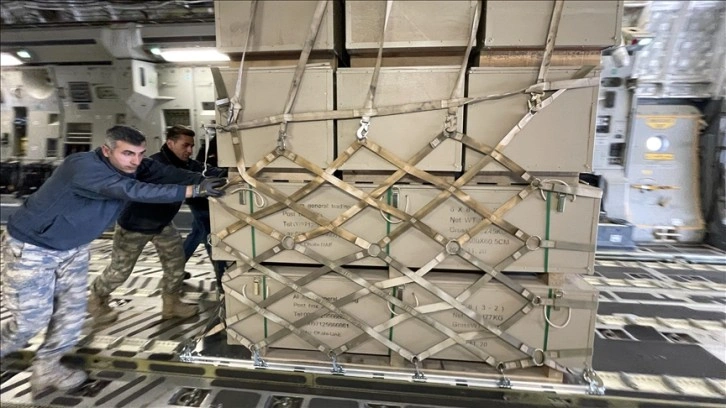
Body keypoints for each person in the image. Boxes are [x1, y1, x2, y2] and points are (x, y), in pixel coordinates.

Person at [0, 125, 225, 394]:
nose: (136, 161)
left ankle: (47, 368)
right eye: (128, 153)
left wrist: (211, 178)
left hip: (73, 248)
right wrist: (193, 191)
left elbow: (166, 172)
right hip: (33, 247)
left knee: (70, 315)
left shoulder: (133, 164)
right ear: (107, 151)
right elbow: (132, 190)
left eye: (140, 154)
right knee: (30, 321)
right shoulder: (83, 167)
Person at [88, 125, 226, 326]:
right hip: (134, 226)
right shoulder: (154, 164)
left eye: (191, 146)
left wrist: (235, 172)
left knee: (176, 264)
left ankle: (171, 304)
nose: (189, 150)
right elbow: (175, 175)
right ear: (170, 143)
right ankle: (96, 299)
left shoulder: (187, 164)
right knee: (120, 271)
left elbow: (206, 171)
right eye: (185, 145)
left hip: (162, 225)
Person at [184, 122, 228, 291]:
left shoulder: (215, 144)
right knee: (211, 237)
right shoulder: (215, 147)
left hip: (204, 198)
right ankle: (222, 279)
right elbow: (209, 171)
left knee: (197, 233)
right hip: (202, 199)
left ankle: (175, 269)